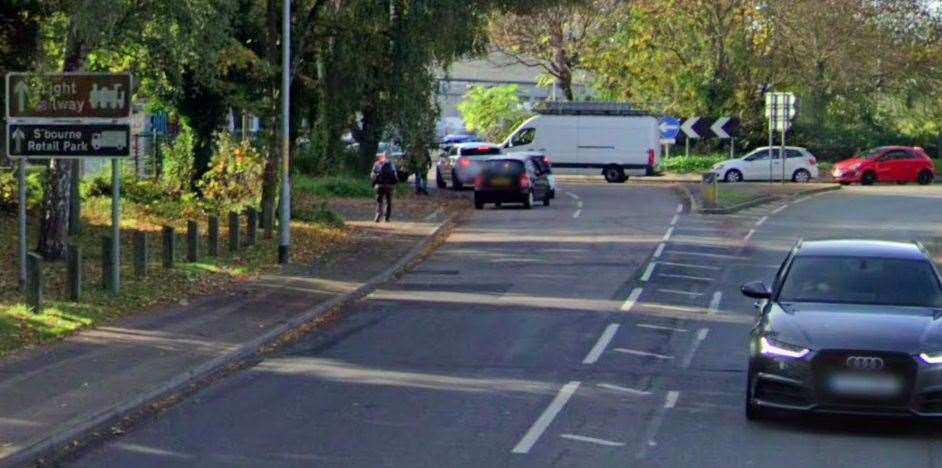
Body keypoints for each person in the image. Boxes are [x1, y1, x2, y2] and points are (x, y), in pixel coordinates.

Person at [371, 151, 399, 222]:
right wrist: (395, 184)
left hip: (379, 186)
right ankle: (387, 218)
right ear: (390, 157)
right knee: (388, 201)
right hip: (389, 186)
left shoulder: (377, 163)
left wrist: (374, 183)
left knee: (379, 201)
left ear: (382, 156)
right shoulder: (391, 164)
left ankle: (377, 216)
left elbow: (372, 175)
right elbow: (395, 176)